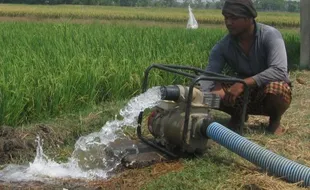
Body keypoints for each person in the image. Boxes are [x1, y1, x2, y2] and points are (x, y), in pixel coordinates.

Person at [199, 0, 292, 135]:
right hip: (240, 94)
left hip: (266, 88)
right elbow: (209, 75)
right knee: (202, 92)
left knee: (277, 89)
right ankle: (237, 116)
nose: (228, 22)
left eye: (234, 18)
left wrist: (244, 84)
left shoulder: (270, 35)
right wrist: (212, 90)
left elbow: (279, 71)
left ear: (249, 18)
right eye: (226, 18)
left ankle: (275, 121)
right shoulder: (222, 46)